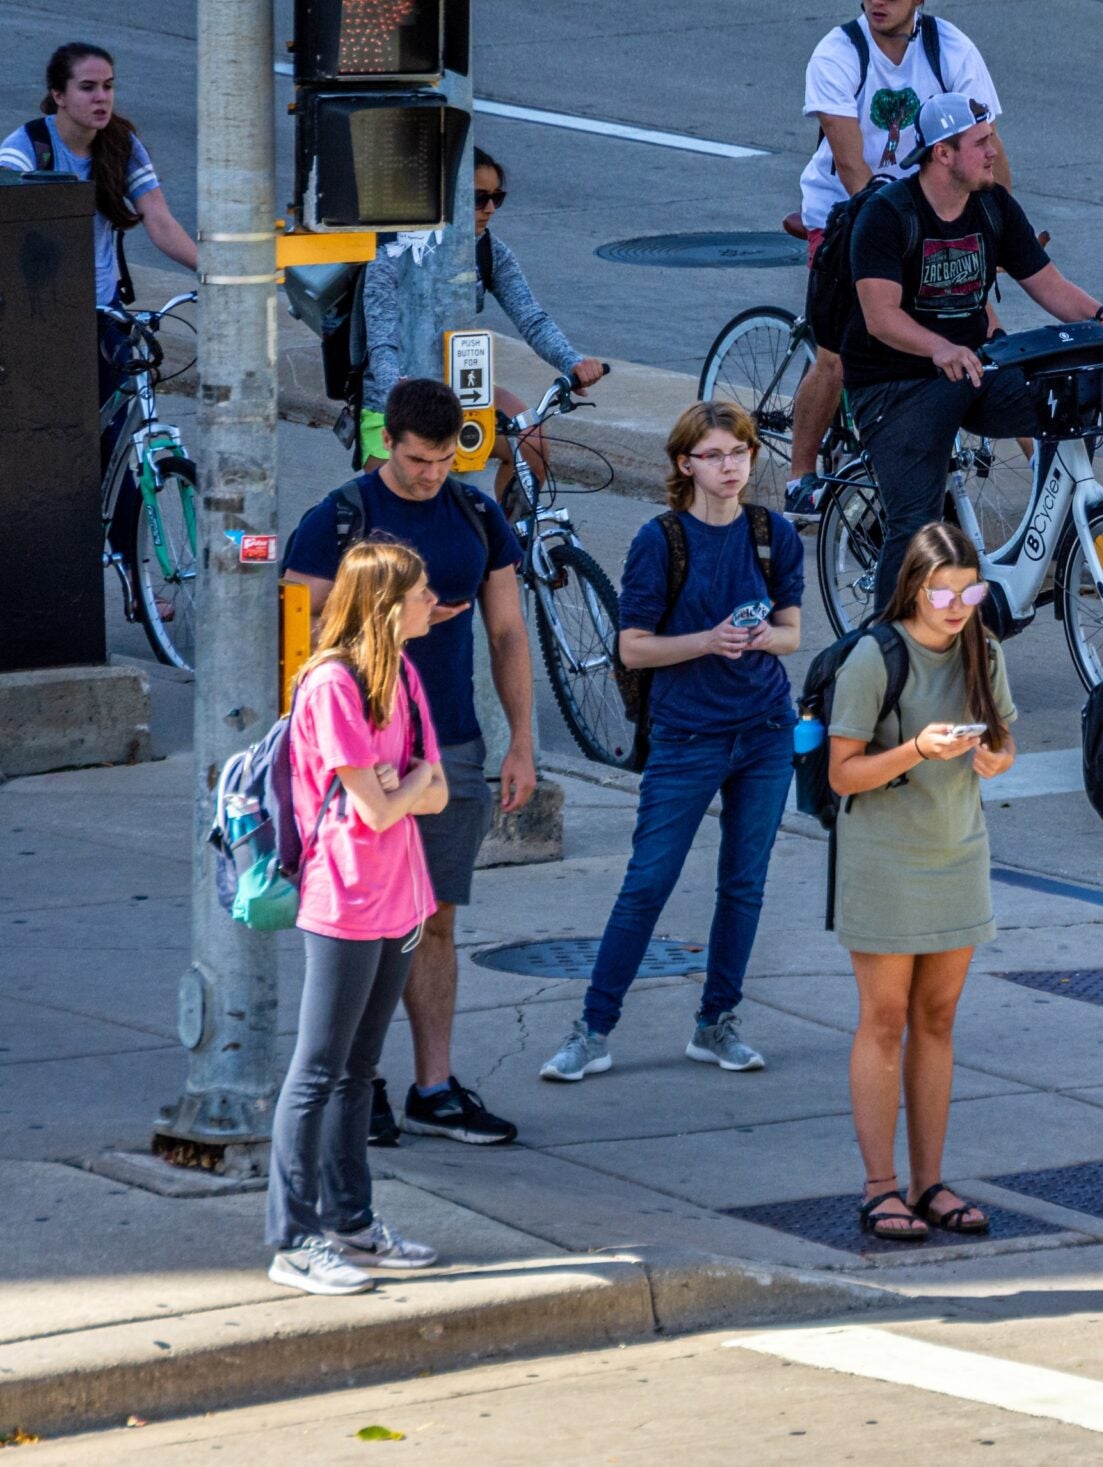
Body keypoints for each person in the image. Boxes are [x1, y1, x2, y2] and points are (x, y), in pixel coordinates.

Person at [283, 378, 534, 1148]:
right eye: (418, 459)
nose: (431, 474)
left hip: (449, 743)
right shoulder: (341, 519)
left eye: (443, 460)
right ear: (385, 442)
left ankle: (435, 1084)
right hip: (361, 748)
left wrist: (523, 740)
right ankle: (364, 1083)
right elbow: (297, 633)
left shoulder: (475, 513)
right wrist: (390, 619)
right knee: (363, 928)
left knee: (435, 919)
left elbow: (507, 635)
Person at [542, 401, 804, 1083]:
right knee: (648, 882)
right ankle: (592, 1029)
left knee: (743, 885)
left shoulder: (772, 533)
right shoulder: (660, 540)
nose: (730, 466)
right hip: (687, 737)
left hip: (765, 730)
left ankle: (716, 1022)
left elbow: (792, 633)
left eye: (740, 453)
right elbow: (631, 647)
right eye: (715, 454)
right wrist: (708, 642)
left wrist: (756, 638)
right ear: (685, 463)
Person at [847, 91, 1103, 611]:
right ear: (943, 153)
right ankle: (884, 653)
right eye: (982, 142)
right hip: (895, 385)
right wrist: (939, 347)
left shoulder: (991, 206)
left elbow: (1048, 285)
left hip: (975, 368)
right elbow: (880, 315)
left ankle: (1038, 549)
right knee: (914, 528)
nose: (993, 152)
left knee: (1069, 400)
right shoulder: (888, 216)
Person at [265, 539, 448, 1295]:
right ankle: (293, 1238)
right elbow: (376, 808)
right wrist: (398, 791)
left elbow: (435, 787)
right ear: (386, 604)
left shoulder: (401, 673)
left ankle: (351, 1220)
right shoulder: (330, 685)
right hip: (343, 898)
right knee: (317, 1069)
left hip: (402, 896)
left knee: (359, 1072)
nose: (432, 599)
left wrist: (397, 789)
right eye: (420, 590)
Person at [825, 521, 1017, 1239]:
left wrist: (997, 756)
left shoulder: (982, 648)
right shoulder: (876, 659)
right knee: (884, 1019)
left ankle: (928, 1181)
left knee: (938, 1019)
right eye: (945, 589)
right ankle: (881, 1187)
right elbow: (843, 772)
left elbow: (1003, 737)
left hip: (957, 852)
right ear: (915, 586)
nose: (959, 602)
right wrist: (913, 748)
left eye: (972, 589)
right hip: (884, 858)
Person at [786, 0, 1008, 514]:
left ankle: (1047, 486)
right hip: (849, 213)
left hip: (934, 211)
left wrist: (1000, 225)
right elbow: (852, 164)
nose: (876, 1)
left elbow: (987, 146)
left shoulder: (950, 50)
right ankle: (801, 475)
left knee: (989, 334)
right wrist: (891, 237)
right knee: (840, 352)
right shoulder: (839, 53)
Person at [357, 147, 606, 472]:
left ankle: (506, 524)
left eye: (496, 198)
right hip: (394, 401)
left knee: (532, 445)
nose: (489, 209)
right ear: (446, 196)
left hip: (462, 390)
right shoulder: (393, 252)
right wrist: (397, 393)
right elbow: (381, 340)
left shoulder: (491, 252)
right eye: (478, 198)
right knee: (398, 499)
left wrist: (571, 361)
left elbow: (531, 317)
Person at [0, 42, 200, 429]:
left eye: (108, 86)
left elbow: (159, 221)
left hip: (102, 309)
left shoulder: (120, 144)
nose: (101, 98)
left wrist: (213, 272)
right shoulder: (26, 150)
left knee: (118, 428)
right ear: (59, 95)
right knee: (52, 433)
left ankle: (124, 490)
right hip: (40, 314)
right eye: (88, 87)